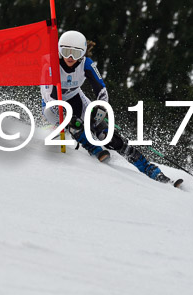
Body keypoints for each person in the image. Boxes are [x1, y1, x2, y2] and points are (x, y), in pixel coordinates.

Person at [41, 30, 177, 185]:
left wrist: (100, 110)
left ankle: (150, 169)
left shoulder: (87, 64)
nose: (70, 57)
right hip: (52, 106)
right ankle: (92, 147)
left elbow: (102, 91)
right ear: (59, 50)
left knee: (106, 133)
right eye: (66, 52)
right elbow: (49, 96)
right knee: (73, 123)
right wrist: (68, 117)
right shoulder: (51, 63)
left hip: (76, 98)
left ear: (83, 53)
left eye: (76, 53)